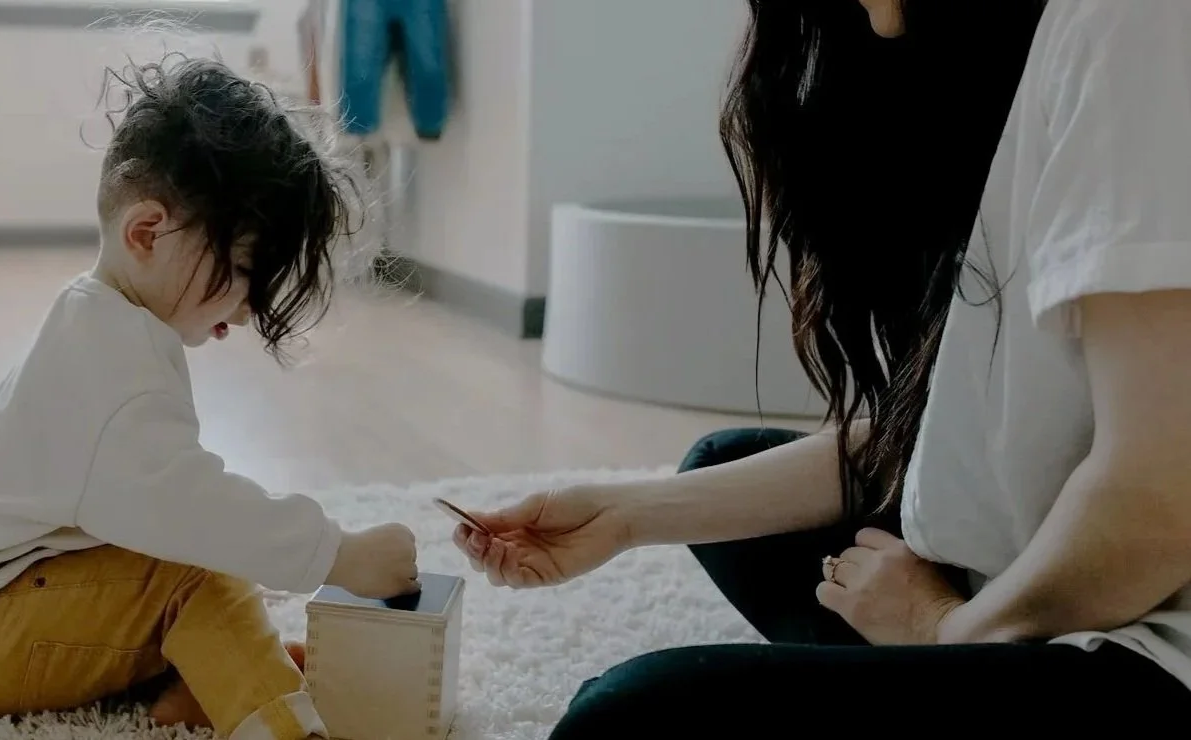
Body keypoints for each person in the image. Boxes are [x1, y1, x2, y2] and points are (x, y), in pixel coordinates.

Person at [453, 0, 1191, 732]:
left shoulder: (1137, 22)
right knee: (723, 466)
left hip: (1147, 646)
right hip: (1046, 575)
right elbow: (947, 432)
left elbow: (1161, 497)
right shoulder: (1029, 50)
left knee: (626, 719)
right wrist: (622, 518)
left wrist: (941, 627)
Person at [0, 54, 420, 740]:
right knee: (199, 570)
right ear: (146, 234)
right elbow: (191, 508)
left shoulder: (97, 321)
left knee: (190, 563)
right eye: (246, 272)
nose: (251, 309)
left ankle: (203, 687)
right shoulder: (112, 365)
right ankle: (283, 727)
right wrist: (338, 553)